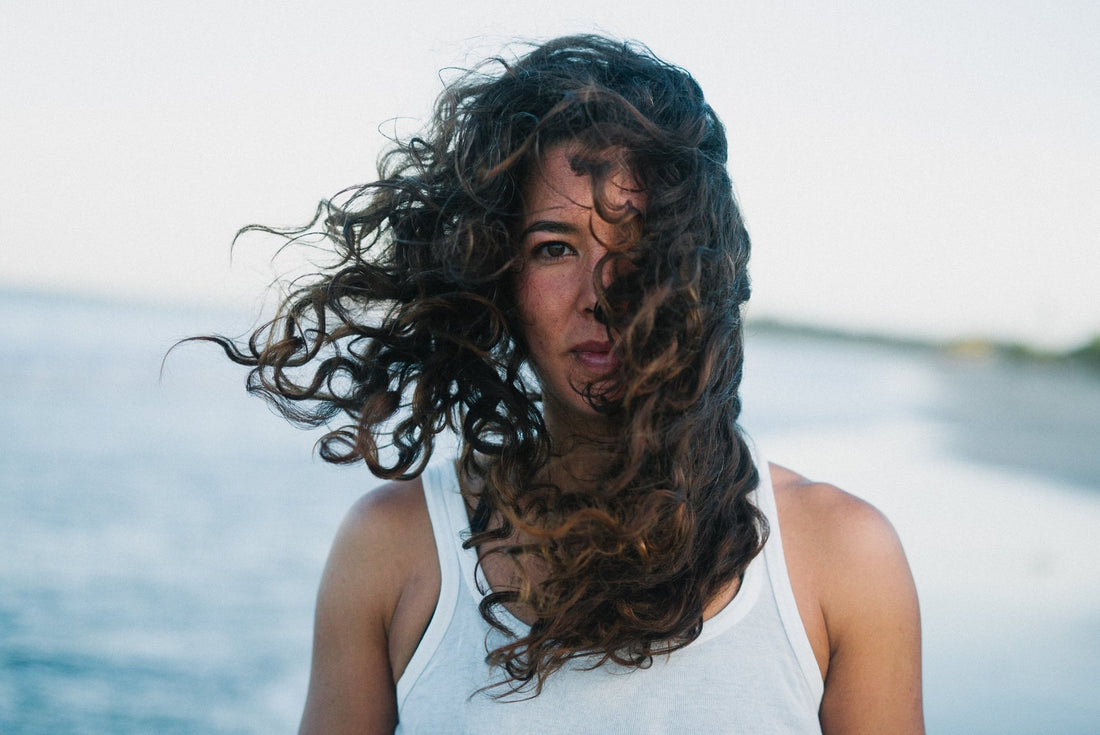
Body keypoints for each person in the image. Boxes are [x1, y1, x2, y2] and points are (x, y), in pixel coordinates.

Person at [208, 35, 923, 734]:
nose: (600, 294)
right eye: (554, 248)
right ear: (498, 276)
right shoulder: (391, 549)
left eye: (638, 245)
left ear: (699, 271)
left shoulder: (844, 557)